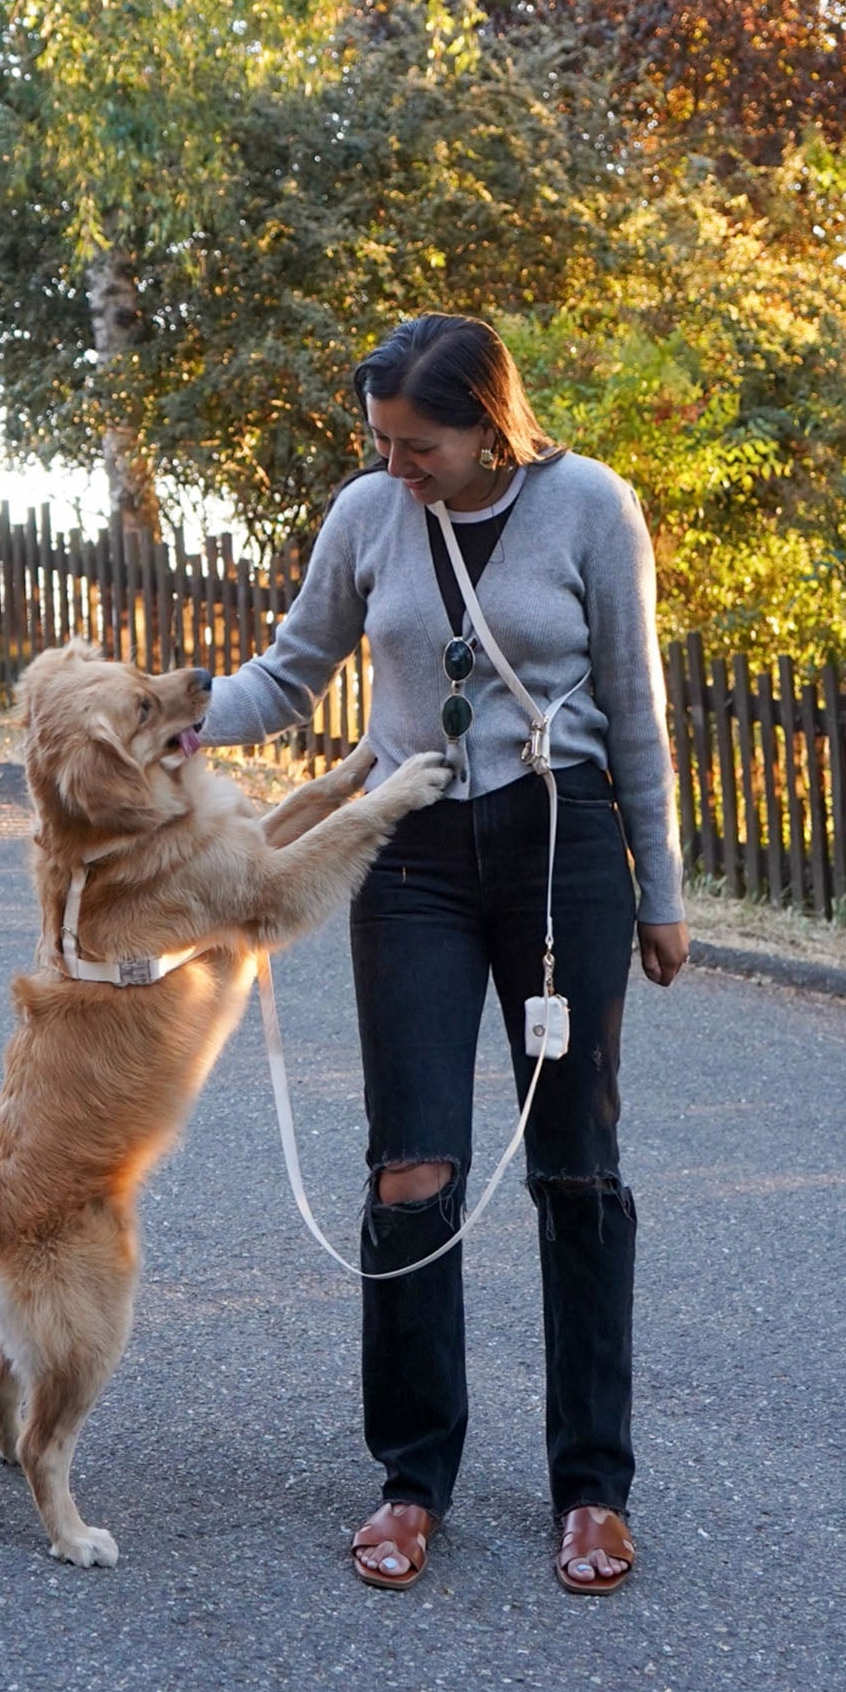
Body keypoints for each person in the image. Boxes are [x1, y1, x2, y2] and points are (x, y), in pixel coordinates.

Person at [198, 312, 688, 1595]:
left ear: (489, 423)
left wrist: (661, 892)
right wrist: (176, 717)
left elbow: (632, 710)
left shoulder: (590, 506)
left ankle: (591, 1488)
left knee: (576, 1167)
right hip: (406, 848)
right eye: (382, 445)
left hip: (559, 849)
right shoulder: (368, 513)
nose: (396, 467)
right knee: (410, 1168)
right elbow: (292, 670)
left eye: (420, 446)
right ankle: (410, 1477)